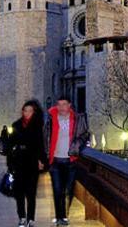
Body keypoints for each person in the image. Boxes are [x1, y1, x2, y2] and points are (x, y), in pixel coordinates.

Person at [45, 97, 89, 226]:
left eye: (64, 104)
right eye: (59, 104)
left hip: (71, 160)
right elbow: (45, 136)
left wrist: (76, 145)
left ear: (69, 105)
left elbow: (85, 134)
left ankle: (63, 215)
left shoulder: (78, 119)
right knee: (58, 189)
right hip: (55, 161)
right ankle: (60, 217)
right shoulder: (51, 119)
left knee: (68, 190)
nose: (61, 107)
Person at [7, 100, 47, 227]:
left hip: (32, 160)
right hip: (18, 161)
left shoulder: (37, 126)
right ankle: (22, 217)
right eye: (26, 111)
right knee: (19, 192)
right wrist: (10, 163)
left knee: (31, 192)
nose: (28, 113)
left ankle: (31, 218)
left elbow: (41, 144)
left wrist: (42, 160)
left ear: (33, 112)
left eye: (30, 111)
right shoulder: (16, 125)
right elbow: (10, 145)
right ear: (22, 112)